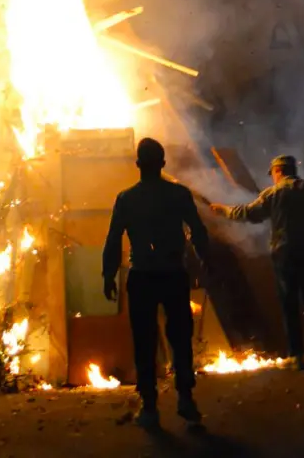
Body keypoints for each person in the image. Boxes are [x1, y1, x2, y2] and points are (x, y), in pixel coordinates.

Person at [102, 137, 211, 429]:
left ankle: (149, 407)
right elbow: (198, 231)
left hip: (142, 276)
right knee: (180, 337)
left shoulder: (126, 199)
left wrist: (108, 275)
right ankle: (185, 398)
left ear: (137, 164)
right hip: (173, 274)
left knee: (144, 340)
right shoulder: (179, 194)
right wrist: (206, 261)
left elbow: (113, 239)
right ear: (163, 163)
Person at [210, 155, 304, 371]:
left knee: (289, 303)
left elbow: (248, 213)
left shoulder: (274, 193)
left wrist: (223, 210)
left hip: (284, 255)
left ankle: (296, 356)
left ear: (278, 171)